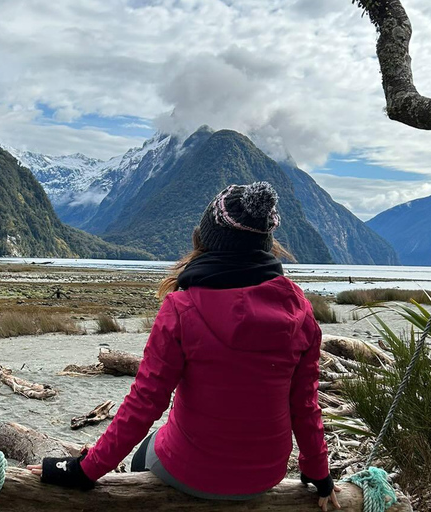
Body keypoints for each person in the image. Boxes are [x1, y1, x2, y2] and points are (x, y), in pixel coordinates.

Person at [28, 182, 341, 511]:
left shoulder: (181, 308)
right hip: (267, 473)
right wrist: (319, 473)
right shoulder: (300, 310)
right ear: (265, 246)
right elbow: (305, 405)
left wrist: (84, 470)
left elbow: (145, 404)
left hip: (192, 469)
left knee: (145, 454)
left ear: (204, 240)